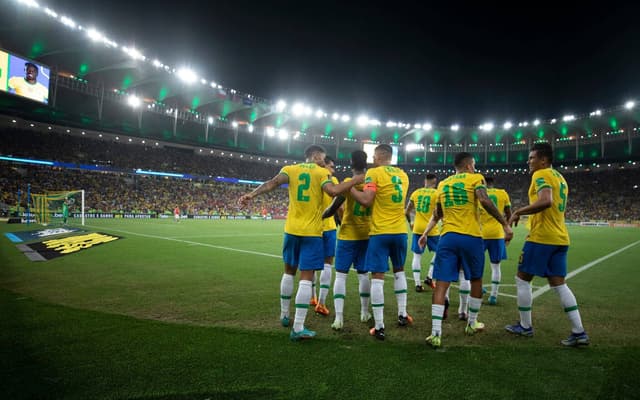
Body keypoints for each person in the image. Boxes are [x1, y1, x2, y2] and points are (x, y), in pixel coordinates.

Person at [238, 145, 363, 341]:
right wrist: (355, 180)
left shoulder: (290, 169)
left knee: (288, 272)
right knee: (306, 277)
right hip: (311, 233)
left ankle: (284, 315)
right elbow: (333, 191)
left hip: (291, 231)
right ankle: (298, 327)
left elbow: (272, 183)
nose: (323, 161)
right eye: (321, 158)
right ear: (314, 156)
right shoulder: (321, 172)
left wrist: (251, 195)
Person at [419, 152, 513, 349]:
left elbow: (438, 214)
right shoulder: (476, 178)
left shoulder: (443, 184)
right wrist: (505, 224)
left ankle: (436, 333)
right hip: (471, 237)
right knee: (476, 279)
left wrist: (425, 233)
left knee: (442, 283)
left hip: (448, 237)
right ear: (470, 165)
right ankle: (472, 323)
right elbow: (485, 201)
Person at [505, 142, 589, 346]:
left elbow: (546, 201)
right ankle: (579, 332)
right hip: (560, 238)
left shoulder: (540, 174)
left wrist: (518, 212)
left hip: (542, 237)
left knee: (522, 279)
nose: (528, 161)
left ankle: (525, 327)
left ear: (543, 160)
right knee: (559, 284)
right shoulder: (560, 177)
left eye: (532, 157)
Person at [349, 144, 411, 341]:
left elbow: (367, 200)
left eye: (373, 156)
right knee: (399, 271)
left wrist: (349, 188)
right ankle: (402, 314)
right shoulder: (403, 175)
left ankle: (379, 325)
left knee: (377, 276)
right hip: (400, 231)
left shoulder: (374, 173)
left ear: (377, 156)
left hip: (380, 232)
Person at [322, 150, 372, 330]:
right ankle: (365, 312)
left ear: (351, 163)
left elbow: (333, 207)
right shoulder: (372, 182)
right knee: (363, 274)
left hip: (347, 235)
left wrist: (321, 216)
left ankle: (339, 318)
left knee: (341, 276)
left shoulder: (346, 184)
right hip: (366, 234)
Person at [479, 176, 511, 305]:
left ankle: (478, 288)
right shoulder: (502, 193)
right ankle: (493, 296)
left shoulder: (480, 194)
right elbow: (509, 213)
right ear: (493, 183)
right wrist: (507, 228)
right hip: (497, 234)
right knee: (496, 266)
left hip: (480, 234)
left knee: (477, 264)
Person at [405, 173, 440, 292]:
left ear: (425, 180)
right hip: (432, 229)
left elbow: (407, 211)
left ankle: (417, 284)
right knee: (439, 252)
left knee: (417, 256)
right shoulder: (437, 193)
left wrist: (410, 222)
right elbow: (438, 213)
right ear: (435, 182)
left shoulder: (416, 193)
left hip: (418, 228)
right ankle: (429, 276)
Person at [314, 156, 339, 316]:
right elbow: (339, 204)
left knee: (310, 265)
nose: (333, 170)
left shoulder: (312, 177)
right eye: (331, 166)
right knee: (327, 264)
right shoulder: (333, 180)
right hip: (328, 227)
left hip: (313, 227)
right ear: (324, 166)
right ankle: (321, 303)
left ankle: (312, 297)